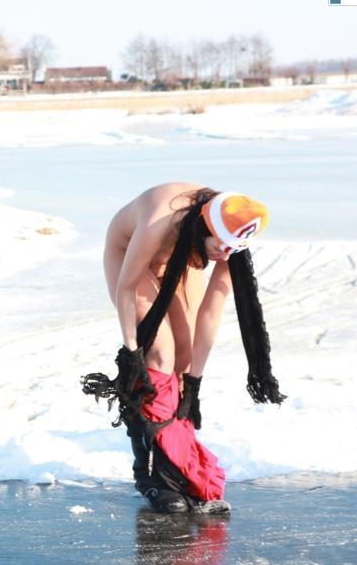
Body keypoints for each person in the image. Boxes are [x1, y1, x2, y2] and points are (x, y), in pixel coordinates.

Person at [82, 182, 285, 513]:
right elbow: (127, 287)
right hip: (129, 256)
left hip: (180, 254)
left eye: (231, 250)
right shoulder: (161, 221)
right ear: (203, 229)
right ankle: (149, 478)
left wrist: (194, 382)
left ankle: (178, 467)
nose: (224, 255)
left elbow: (211, 312)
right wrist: (132, 352)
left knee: (185, 356)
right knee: (160, 354)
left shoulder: (229, 233)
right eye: (219, 247)